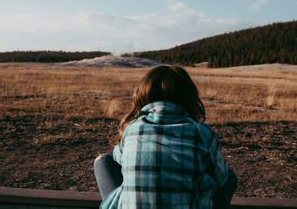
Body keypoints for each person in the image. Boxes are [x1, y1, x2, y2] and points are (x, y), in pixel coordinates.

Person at [94, 65, 237, 208]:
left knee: (104, 161)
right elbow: (221, 178)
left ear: (144, 95)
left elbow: (117, 156)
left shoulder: (132, 128)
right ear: (189, 97)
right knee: (230, 178)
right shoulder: (201, 133)